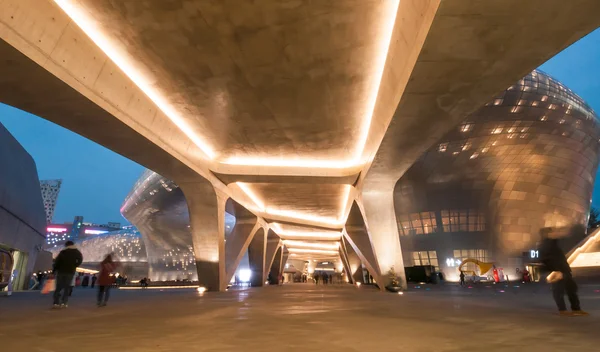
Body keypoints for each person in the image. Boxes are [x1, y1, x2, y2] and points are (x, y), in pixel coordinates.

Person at [539, 227, 588, 316]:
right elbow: (545, 260)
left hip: (565, 271)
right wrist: (554, 271)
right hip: (557, 272)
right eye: (552, 232)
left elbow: (560, 258)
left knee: (572, 289)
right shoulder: (545, 245)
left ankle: (576, 309)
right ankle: (563, 310)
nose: (555, 233)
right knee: (558, 291)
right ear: (547, 234)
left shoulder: (554, 243)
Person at [52, 241, 83, 308]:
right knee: (67, 287)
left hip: (61, 271)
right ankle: (64, 302)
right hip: (70, 271)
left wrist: (54, 271)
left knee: (58, 287)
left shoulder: (63, 252)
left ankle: (56, 303)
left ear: (66, 245)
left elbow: (57, 262)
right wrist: (75, 265)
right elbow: (80, 259)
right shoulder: (77, 252)